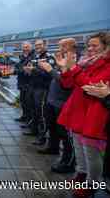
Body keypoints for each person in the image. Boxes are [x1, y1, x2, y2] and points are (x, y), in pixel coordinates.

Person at [58, 32, 110, 197]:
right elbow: (67, 84)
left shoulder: (109, 65)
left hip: (94, 113)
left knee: (91, 152)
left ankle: (92, 183)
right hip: (79, 111)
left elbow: (91, 88)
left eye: (94, 45)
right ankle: (81, 174)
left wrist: (74, 68)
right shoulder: (86, 63)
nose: (90, 49)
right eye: (89, 45)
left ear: (107, 46)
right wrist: (65, 68)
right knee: (79, 148)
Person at [37, 38, 77, 173]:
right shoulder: (60, 59)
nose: (59, 48)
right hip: (53, 99)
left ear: (71, 46)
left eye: (62, 46)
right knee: (53, 127)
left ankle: (68, 162)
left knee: (65, 135)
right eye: (59, 45)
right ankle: (53, 147)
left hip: (63, 102)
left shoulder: (73, 61)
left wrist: (50, 70)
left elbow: (67, 82)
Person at [23, 39, 55, 146]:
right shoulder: (36, 57)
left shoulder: (49, 57)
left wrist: (33, 70)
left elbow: (49, 74)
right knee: (34, 110)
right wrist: (29, 71)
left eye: (40, 45)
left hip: (43, 89)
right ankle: (34, 131)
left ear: (45, 45)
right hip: (34, 87)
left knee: (42, 113)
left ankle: (42, 137)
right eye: (36, 45)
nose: (37, 47)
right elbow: (34, 72)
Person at [14, 42, 34, 122]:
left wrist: (19, 70)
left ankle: (29, 120)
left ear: (30, 48)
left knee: (29, 103)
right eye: (24, 47)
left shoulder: (33, 57)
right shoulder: (22, 57)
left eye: (27, 47)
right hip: (22, 83)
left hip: (29, 84)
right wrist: (17, 70)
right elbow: (18, 67)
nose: (25, 49)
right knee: (23, 102)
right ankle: (24, 116)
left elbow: (27, 70)